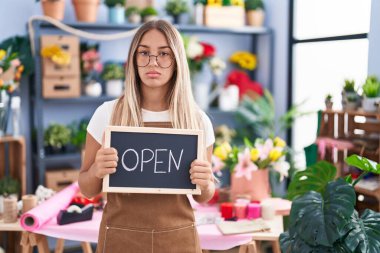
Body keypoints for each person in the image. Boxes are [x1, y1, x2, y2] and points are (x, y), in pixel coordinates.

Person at [79, 20, 215, 253]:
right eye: (144, 53)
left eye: (164, 54)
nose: (153, 62)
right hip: (120, 240)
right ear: (133, 59)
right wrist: (96, 171)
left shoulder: (197, 120)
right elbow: (87, 188)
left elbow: (204, 195)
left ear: (177, 62)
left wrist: (205, 181)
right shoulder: (107, 114)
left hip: (178, 240)